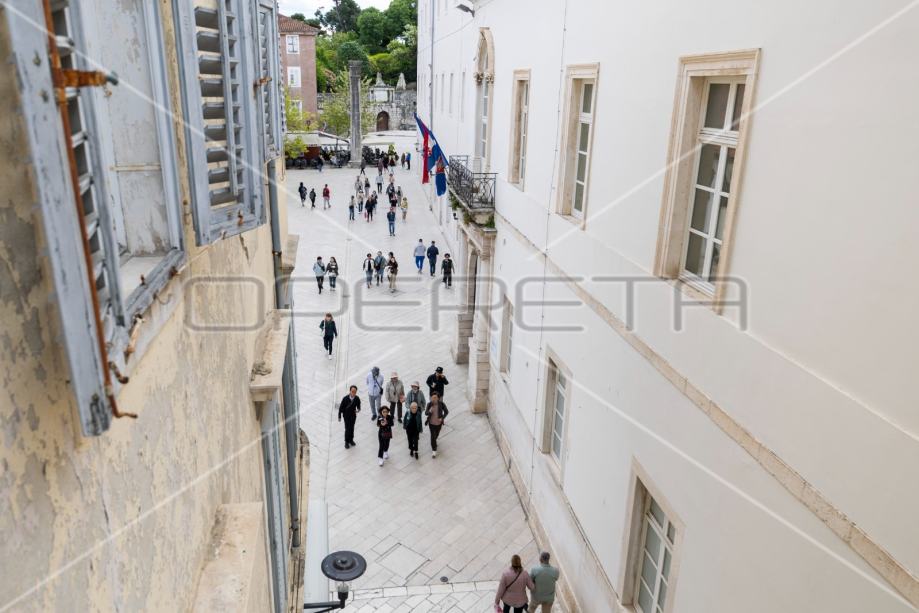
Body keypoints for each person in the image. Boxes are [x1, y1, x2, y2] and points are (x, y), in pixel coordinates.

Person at [424, 393, 448, 458]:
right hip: (431, 424)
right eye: (432, 397)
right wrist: (429, 411)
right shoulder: (429, 404)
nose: (433, 399)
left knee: (436, 435)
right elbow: (426, 413)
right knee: (433, 436)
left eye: (435, 397)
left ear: (438, 398)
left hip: (438, 424)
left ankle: (434, 441)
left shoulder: (441, 404)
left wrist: (442, 418)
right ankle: (434, 450)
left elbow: (446, 411)